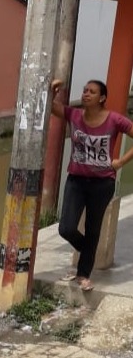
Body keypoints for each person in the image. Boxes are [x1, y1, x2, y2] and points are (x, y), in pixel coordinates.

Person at [51, 79, 133, 291]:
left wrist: (120, 162)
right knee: (66, 227)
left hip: (102, 183)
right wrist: (52, 91)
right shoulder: (74, 115)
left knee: (93, 228)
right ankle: (88, 252)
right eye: (85, 90)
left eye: (92, 92)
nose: (86, 94)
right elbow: (52, 108)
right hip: (76, 181)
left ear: (102, 98)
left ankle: (83, 274)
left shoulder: (114, 120)